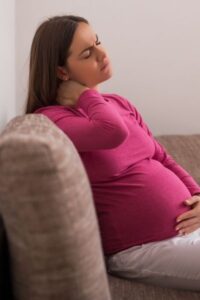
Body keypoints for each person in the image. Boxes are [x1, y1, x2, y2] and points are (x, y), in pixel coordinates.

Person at [25, 15, 200, 291]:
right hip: (142, 247)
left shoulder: (119, 103)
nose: (102, 53)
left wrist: (198, 196)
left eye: (98, 42)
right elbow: (112, 132)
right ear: (62, 72)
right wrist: (85, 95)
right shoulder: (53, 119)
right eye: (87, 53)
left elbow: (162, 158)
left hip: (190, 231)